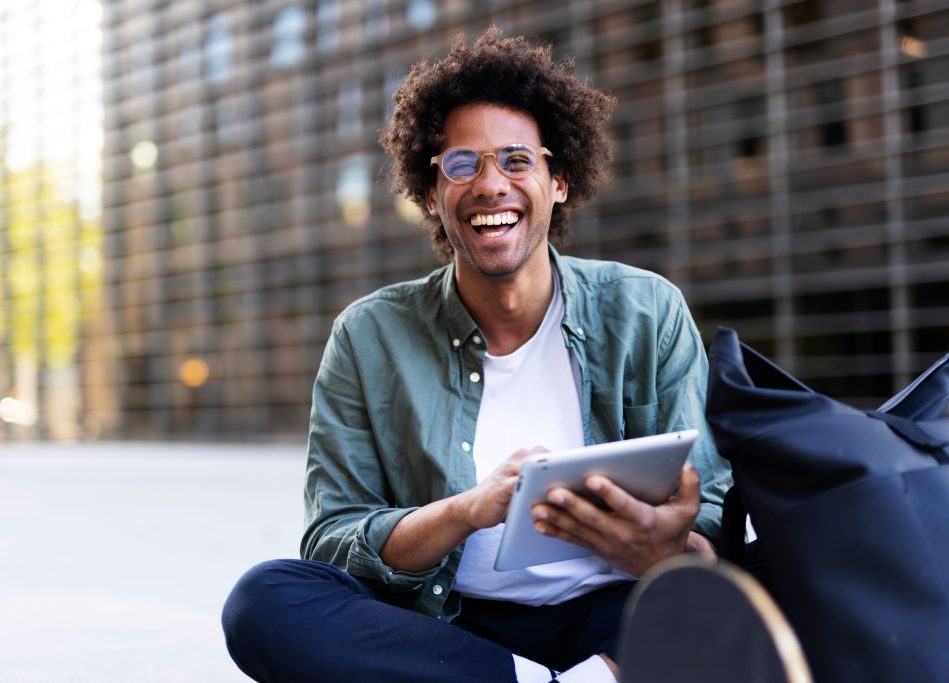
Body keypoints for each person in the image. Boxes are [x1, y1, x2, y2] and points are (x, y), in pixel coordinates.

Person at [223, 28, 731, 683]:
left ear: (560, 180)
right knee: (265, 601)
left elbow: (714, 512)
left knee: (785, 561)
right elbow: (334, 539)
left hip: (619, 611)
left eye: (517, 160)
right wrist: (467, 510)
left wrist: (669, 546)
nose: (492, 185)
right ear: (432, 193)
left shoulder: (646, 309)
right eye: (463, 164)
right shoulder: (368, 335)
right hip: (451, 627)